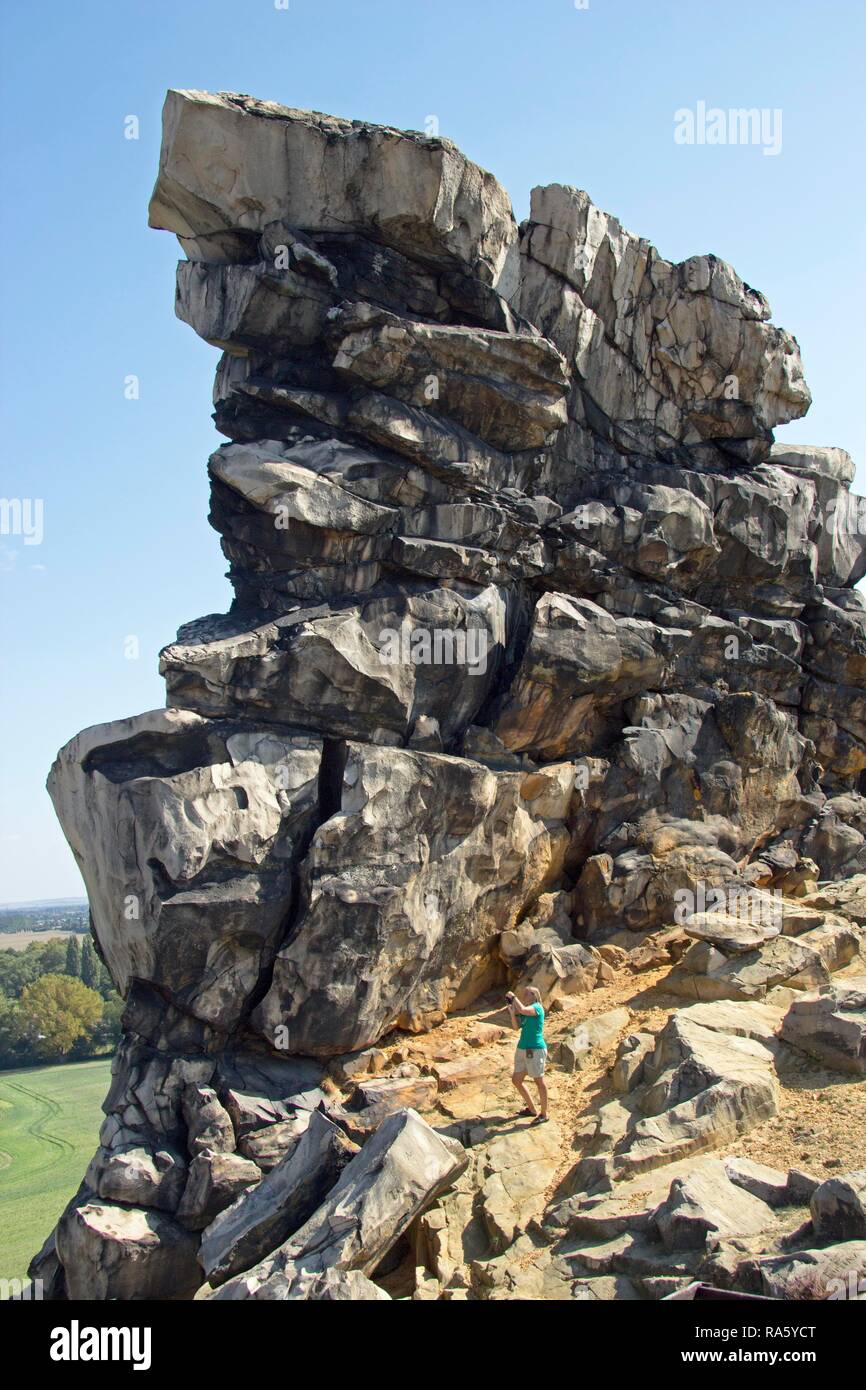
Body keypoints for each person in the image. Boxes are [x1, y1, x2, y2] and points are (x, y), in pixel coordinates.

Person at [506, 986, 549, 1123]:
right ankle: (531, 1109)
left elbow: (523, 1009)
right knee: (516, 1080)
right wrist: (512, 1013)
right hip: (523, 1049)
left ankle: (544, 1114)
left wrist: (513, 997)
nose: (524, 994)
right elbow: (516, 1027)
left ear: (534, 995)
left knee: (539, 1081)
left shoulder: (537, 1007)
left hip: (535, 1049)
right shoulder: (526, 1011)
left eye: (527, 993)